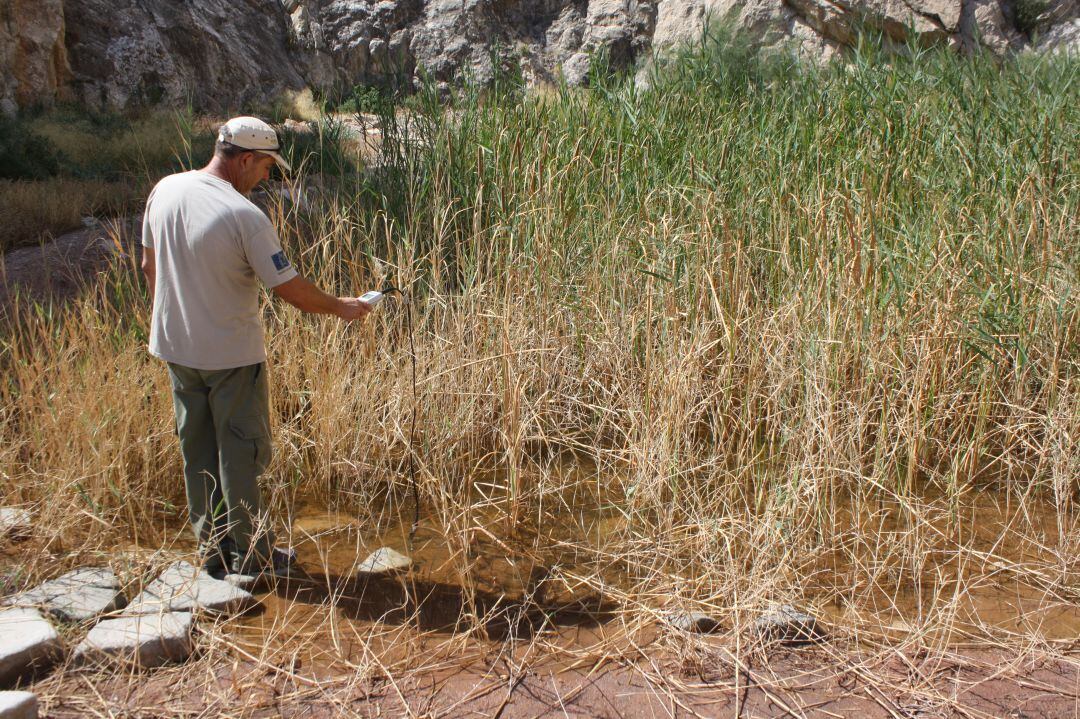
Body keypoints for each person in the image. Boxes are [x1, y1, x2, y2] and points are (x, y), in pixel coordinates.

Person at [140, 116, 372, 580]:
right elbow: (289, 289)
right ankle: (252, 556)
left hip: (176, 349)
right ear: (245, 159)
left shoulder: (164, 189)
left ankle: (212, 553)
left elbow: (148, 265)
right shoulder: (245, 215)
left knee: (198, 451)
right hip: (231, 357)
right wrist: (342, 307)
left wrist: (176, 319)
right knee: (242, 454)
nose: (267, 177)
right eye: (267, 167)